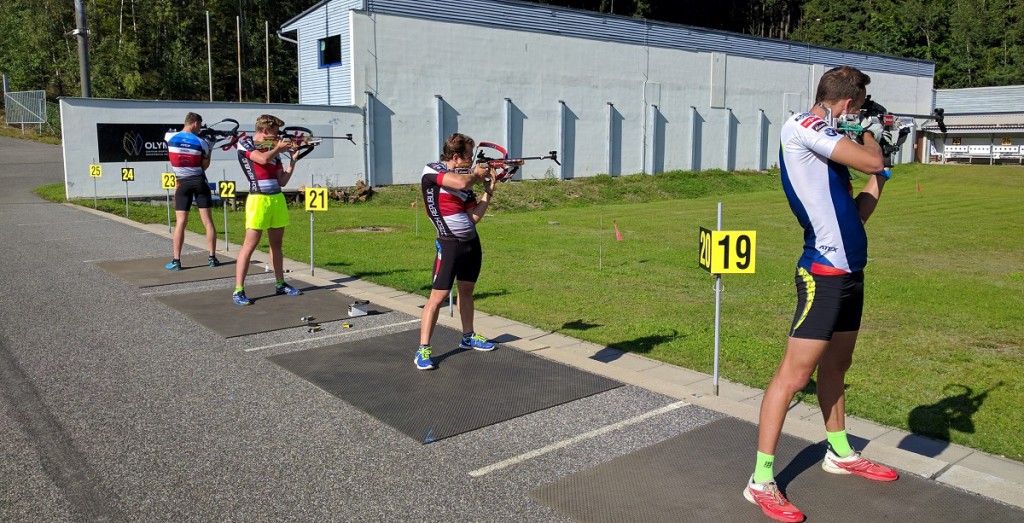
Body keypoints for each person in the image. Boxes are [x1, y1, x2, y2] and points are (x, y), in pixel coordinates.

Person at [744, 66, 900, 523]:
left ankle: (839, 452)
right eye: (859, 109)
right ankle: (760, 480)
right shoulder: (805, 125)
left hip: (852, 273)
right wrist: (874, 138)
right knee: (792, 377)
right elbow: (869, 157)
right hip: (822, 274)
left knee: (838, 365)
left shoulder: (829, 151)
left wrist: (883, 176)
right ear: (849, 104)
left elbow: (856, 213)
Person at [414, 133, 499, 370]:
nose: (471, 162)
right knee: (438, 298)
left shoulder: (466, 182)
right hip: (449, 244)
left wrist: (488, 190)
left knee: (467, 291)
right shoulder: (432, 170)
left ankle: (468, 336)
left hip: (471, 243)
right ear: (455, 156)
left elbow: (474, 217)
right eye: (468, 157)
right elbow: (462, 182)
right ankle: (423, 349)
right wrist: (477, 175)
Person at [231, 114, 303, 306]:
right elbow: (261, 160)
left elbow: (282, 181)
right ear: (265, 130)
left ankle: (280, 283)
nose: (277, 136)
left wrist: (292, 162)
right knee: (250, 245)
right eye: (275, 132)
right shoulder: (245, 143)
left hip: (276, 198)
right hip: (258, 199)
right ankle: (239, 289)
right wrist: (279, 148)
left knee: (277, 245)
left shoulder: (274, 150)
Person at [164, 112, 219, 270]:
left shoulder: (169, 137)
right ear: (194, 123)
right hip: (200, 182)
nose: (200, 128)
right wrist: (210, 149)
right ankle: (212, 258)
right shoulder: (202, 143)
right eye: (199, 125)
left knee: (180, 222)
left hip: (182, 184)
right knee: (208, 222)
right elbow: (204, 167)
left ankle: (176, 261)